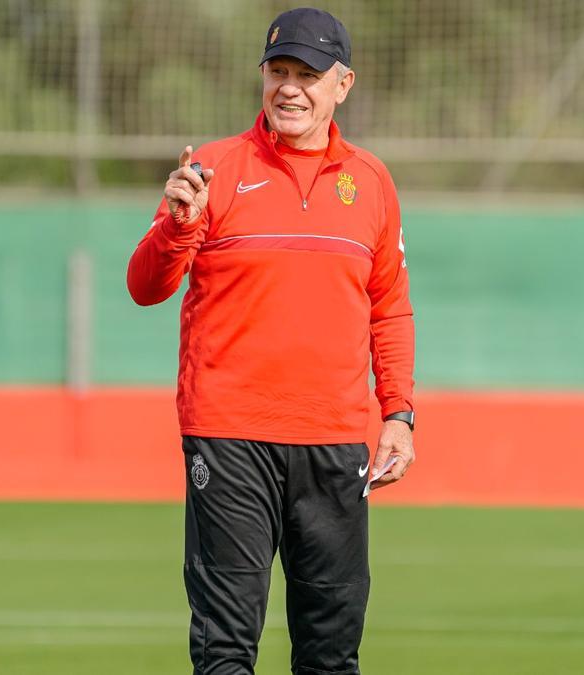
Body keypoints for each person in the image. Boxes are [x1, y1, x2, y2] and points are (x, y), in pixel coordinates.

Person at [127, 8, 415, 674]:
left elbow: (390, 307)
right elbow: (146, 285)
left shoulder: (370, 181)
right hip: (230, 440)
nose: (290, 88)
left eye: (307, 75)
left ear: (343, 84)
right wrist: (175, 227)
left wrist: (397, 414)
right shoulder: (213, 168)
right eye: (278, 72)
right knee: (225, 650)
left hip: (335, 442)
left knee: (331, 654)